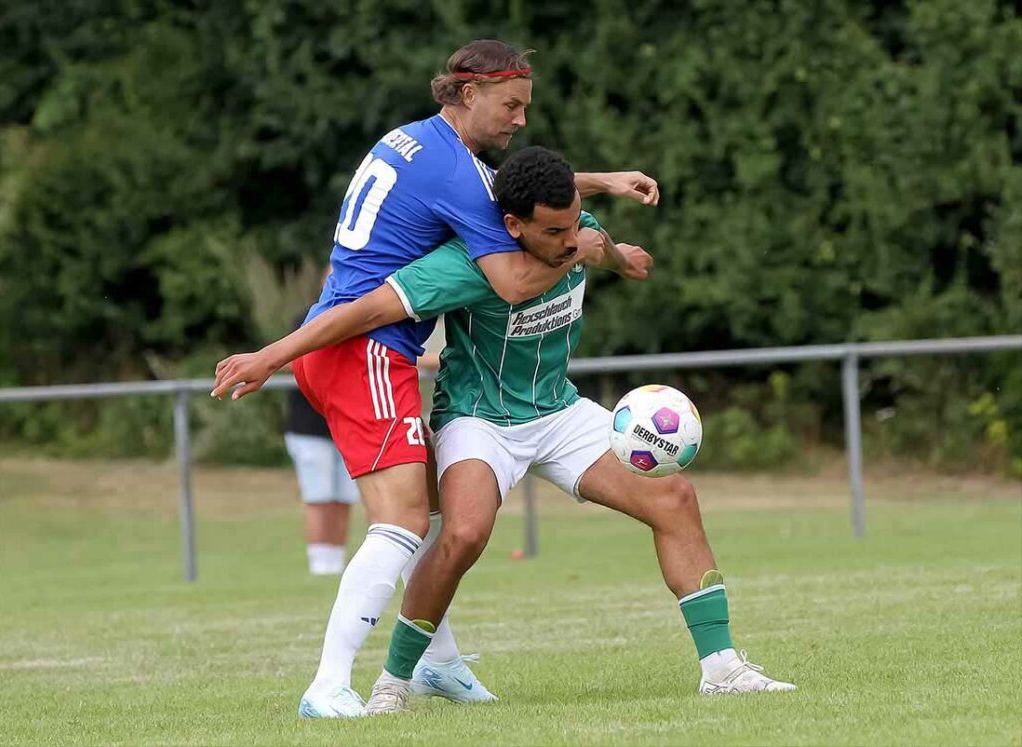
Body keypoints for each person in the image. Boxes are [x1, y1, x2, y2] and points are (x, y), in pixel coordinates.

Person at [214, 147, 796, 713]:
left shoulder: (576, 228)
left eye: (574, 224)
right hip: (479, 419)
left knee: (675, 497)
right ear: (512, 225)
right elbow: (365, 311)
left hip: (559, 412)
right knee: (464, 534)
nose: (569, 239)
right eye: (554, 232)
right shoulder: (463, 263)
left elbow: (597, 243)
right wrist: (273, 355)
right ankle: (396, 684)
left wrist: (622, 260)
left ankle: (722, 670)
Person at [212, 39, 659, 719]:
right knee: (400, 522)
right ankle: (328, 685)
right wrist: (589, 249)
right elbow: (511, 280)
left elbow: (514, 191)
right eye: (511, 105)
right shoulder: (460, 175)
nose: (521, 120)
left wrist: (602, 181)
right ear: (467, 92)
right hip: (364, 348)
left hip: (338, 342)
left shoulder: (417, 143)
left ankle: (437, 661)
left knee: (427, 508)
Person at [283, 303, 360, 576]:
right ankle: (320, 565)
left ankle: (335, 563)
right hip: (310, 428)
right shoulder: (306, 316)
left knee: (344, 497)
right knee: (320, 497)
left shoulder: (360, 313)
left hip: (345, 424)